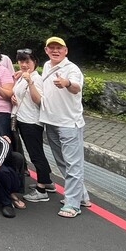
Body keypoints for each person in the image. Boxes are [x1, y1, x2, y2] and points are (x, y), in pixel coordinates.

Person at [38, 36, 91, 218]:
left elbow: (76, 87)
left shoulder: (72, 69)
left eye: (58, 48)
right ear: (46, 50)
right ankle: (81, 196)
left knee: (73, 163)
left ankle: (72, 204)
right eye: (51, 47)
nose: (55, 51)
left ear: (65, 51)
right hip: (51, 121)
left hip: (69, 124)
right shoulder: (46, 66)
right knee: (61, 161)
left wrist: (67, 83)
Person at [12, 49, 56, 203]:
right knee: (37, 152)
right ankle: (48, 182)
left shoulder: (36, 79)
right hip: (24, 120)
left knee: (35, 154)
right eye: (21, 61)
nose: (24, 64)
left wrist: (30, 82)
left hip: (31, 122)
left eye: (27, 61)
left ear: (35, 63)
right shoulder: (22, 77)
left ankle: (41, 188)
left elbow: (38, 101)